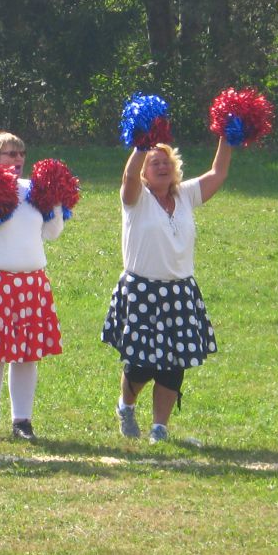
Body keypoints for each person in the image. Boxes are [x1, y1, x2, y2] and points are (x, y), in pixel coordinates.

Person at [101, 137, 231, 443]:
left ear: (175, 168)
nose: (162, 167)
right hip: (142, 291)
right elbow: (129, 177)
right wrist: (140, 146)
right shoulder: (136, 198)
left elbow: (218, 173)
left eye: (166, 162)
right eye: (154, 162)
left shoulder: (185, 195)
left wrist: (227, 136)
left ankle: (159, 428)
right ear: (145, 171)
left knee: (174, 365)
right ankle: (126, 407)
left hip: (180, 292)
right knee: (142, 365)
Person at [0, 132, 67, 442]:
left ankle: (22, 422)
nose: (18, 159)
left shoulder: (33, 190)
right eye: (10, 154)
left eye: (21, 154)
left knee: (27, 355)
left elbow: (53, 232)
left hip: (30, 282)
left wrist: (56, 201)